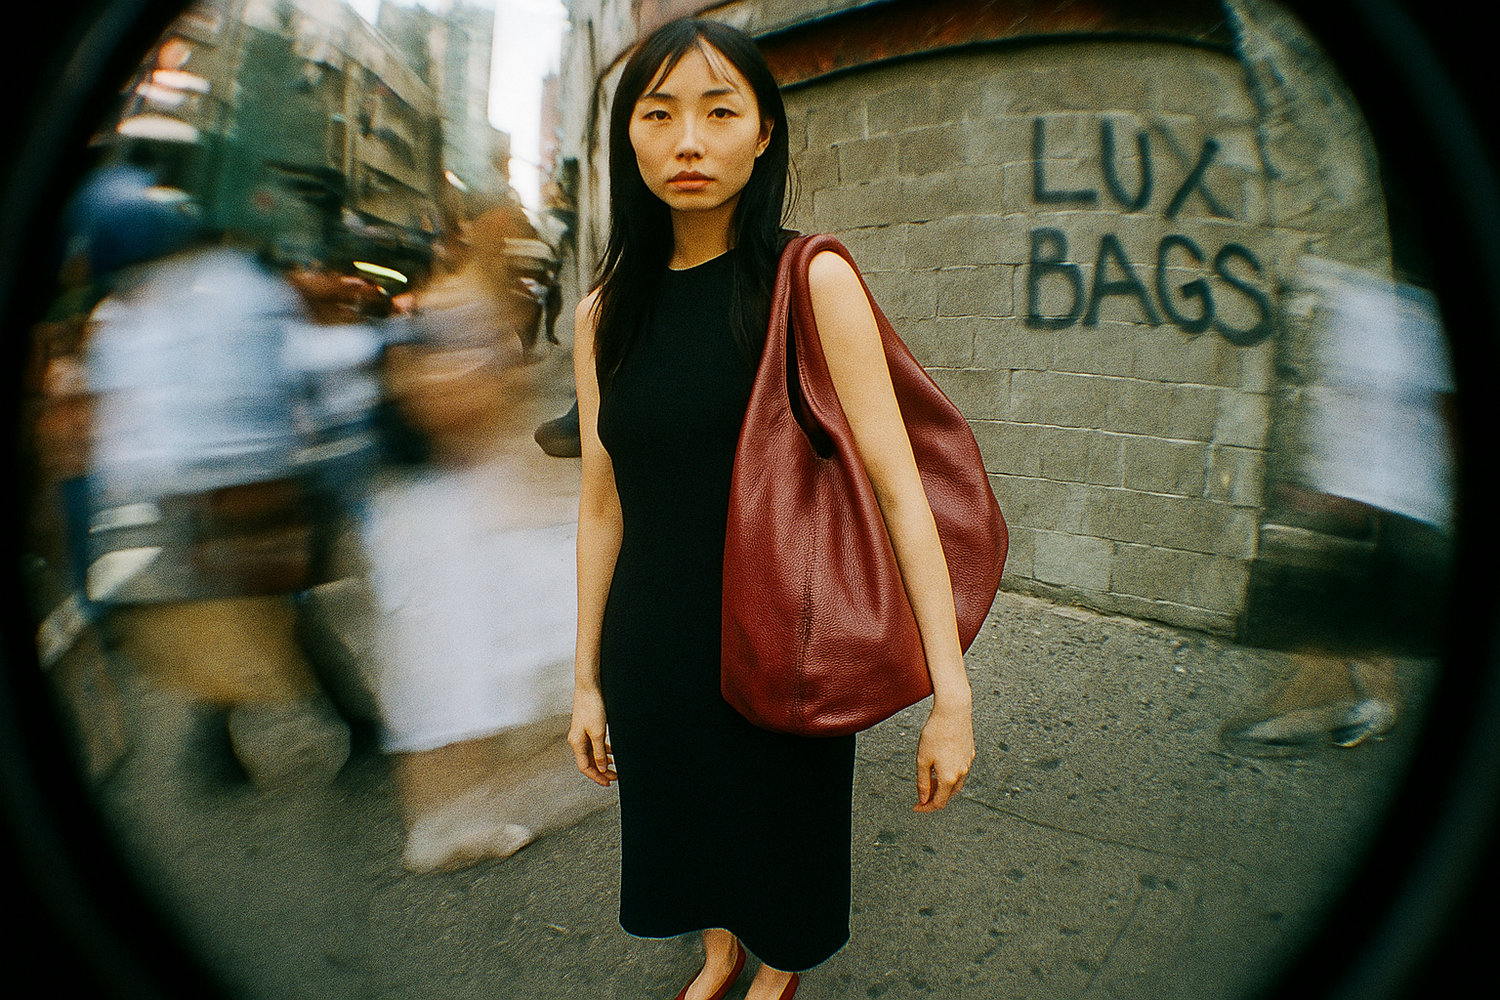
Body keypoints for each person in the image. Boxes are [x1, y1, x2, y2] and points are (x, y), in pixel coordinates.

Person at [567, 18, 975, 1000]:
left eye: (719, 112)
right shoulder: (604, 313)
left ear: (763, 135)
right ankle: (719, 952)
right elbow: (600, 505)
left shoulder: (810, 280)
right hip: (653, 645)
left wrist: (952, 696)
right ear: (628, 138)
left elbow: (897, 488)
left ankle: (777, 967)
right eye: (659, 115)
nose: (689, 141)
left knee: (783, 832)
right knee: (681, 823)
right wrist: (584, 679)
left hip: (786, 630)